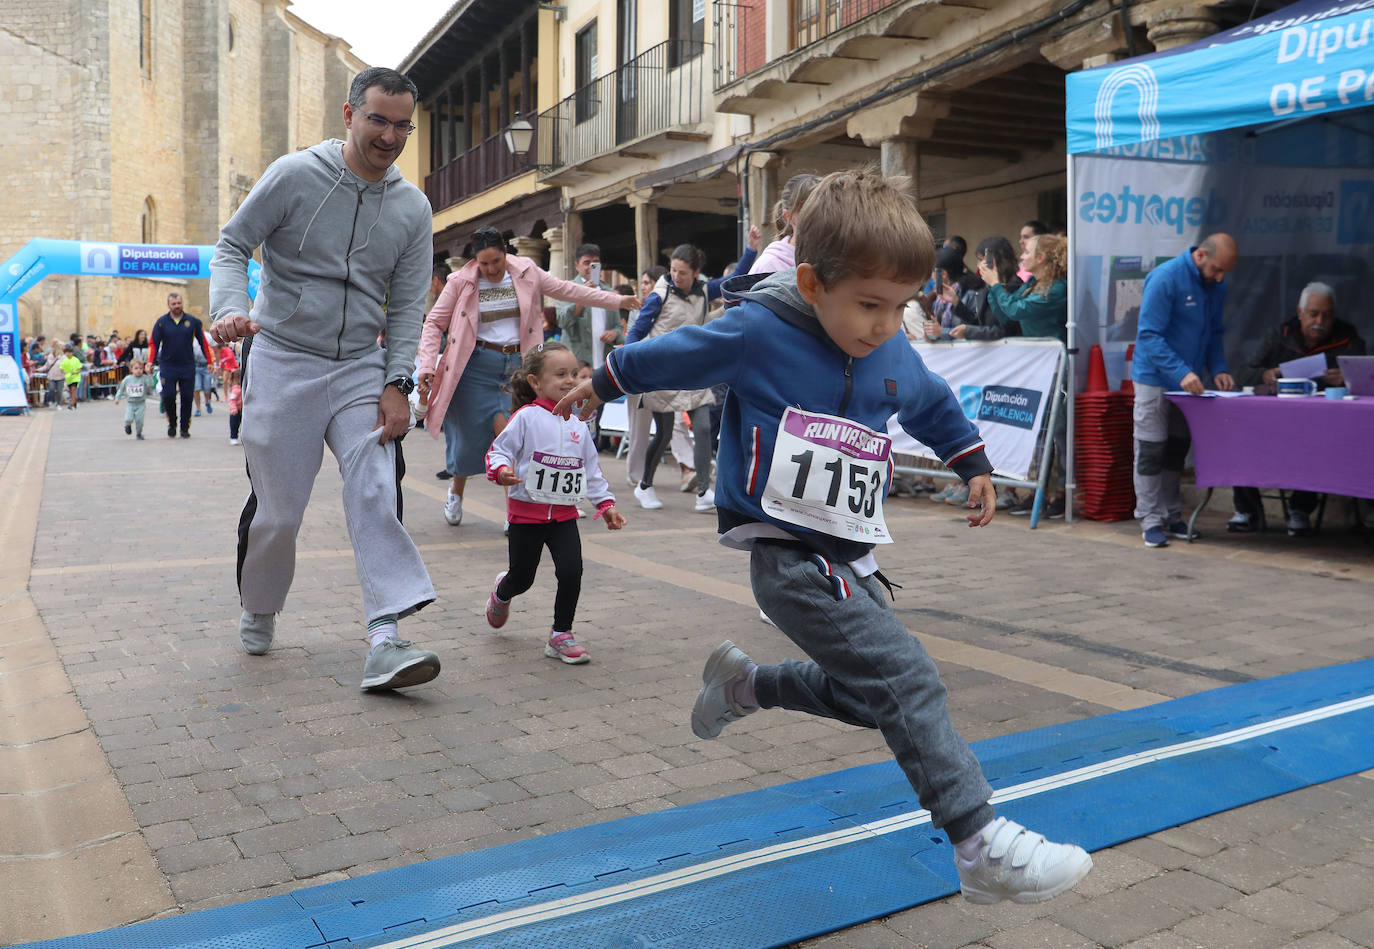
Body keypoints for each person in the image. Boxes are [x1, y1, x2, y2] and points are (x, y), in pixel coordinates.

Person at [555, 168, 1092, 904]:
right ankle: (977, 843)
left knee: (875, 694)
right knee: (908, 676)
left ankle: (745, 685)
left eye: (899, 306)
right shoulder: (757, 329)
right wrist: (607, 378)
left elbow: (929, 398)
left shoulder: (889, 346)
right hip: (786, 551)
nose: (883, 325)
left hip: (852, 550)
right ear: (810, 281)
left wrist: (970, 460)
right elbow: (675, 354)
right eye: (869, 304)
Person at [209, 66, 441, 691]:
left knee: (374, 484)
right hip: (282, 356)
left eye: (402, 126)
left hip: (360, 367)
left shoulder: (413, 208)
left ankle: (386, 638)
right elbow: (233, 246)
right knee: (279, 512)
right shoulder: (293, 175)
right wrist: (230, 309)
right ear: (348, 114)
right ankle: (259, 607)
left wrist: (399, 381)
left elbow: (407, 306)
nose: (389, 137)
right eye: (377, 120)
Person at [416, 226, 638, 528]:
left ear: (506, 252)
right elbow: (433, 324)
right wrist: (428, 364)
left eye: (496, 261)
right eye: (483, 263)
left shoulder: (527, 271)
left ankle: (514, 511)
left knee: (513, 436)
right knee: (467, 442)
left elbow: (567, 290)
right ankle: (456, 490)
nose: (491, 269)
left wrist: (615, 300)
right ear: (475, 262)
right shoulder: (460, 281)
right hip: (475, 367)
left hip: (518, 368)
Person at [483, 342, 626, 663]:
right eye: (560, 373)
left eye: (575, 374)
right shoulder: (525, 418)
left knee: (572, 571)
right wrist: (502, 471)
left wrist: (606, 505)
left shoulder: (578, 424)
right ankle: (502, 593)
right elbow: (498, 451)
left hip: (564, 515)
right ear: (535, 382)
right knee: (523, 578)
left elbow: (590, 470)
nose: (570, 380)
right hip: (525, 515)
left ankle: (561, 634)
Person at [1229, 282, 1366, 535]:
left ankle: (1299, 510)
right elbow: (1244, 374)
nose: (1319, 321)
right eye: (1313, 314)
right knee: (1239, 436)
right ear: (1300, 312)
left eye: (1326, 315)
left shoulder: (1347, 338)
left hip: (1322, 428)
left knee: (1314, 443)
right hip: (1274, 424)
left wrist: (1346, 380)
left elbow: (1365, 381)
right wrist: (1267, 374)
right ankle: (1247, 511)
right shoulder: (1281, 334)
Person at [1130, 233, 1238, 549]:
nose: (1220, 278)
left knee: (1176, 450)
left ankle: (1172, 514)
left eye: (1225, 273)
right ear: (1201, 255)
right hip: (1154, 378)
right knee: (1151, 450)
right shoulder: (1165, 278)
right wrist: (1181, 372)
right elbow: (1149, 336)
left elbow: (1215, 332)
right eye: (1217, 269)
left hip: (1190, 383)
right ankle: (1149, 519)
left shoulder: (1216, 286)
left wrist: (1218, 368)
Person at [625, 244, 726, 513]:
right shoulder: (659, 295)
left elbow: (732, 281)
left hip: (693, 369)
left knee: (703, 427)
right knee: (664, 433)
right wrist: (628, 361)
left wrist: (752, 252)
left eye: (682, 272)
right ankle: (644, 485)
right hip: (662, 370)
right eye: (673, 270)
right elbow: (637, 330)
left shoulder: (704, 291)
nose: (676, 276)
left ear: (696, 273)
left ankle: (704, 490)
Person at [150, 292, 212, 437]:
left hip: (187, 366)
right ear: (169, 305)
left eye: (179, 303)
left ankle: (184, 428)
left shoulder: (193, 321)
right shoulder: (161, 322)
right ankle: (172, 423)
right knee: (169, 396)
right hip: (168, 366)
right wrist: (150, 362)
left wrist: (210, 361)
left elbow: (203, 342)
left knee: (187, 397)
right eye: (174, 304)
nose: (177, 306)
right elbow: (153, 343)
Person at [555, 243, 625, 369]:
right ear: (577, 265)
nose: (591, 267)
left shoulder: (608, 291)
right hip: (577, 363)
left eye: (595, 262)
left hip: (604, 362)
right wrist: (582, 296)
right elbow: (562, 321)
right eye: (587, 263)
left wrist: (614, 333)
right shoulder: (567, 289)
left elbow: (618, 327)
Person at [751, 176, 819, 275]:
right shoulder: (769, 265)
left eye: (824, 208)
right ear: (788, 215)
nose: (818, 216)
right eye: (807, 210)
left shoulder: (835, 260)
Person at [114, 359, 153, 438]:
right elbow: (121, 389)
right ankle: (127, 425)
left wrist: (149, 374)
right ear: (131, 369)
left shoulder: (144, 378)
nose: (139, 370)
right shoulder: (127, 379)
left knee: (140, 421)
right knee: (128, 418)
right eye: (136, 368)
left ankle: (139, 433)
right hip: (131, 404)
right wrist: (117, 398)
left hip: (141, 403)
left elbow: (151, 384)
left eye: (141, 368)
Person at [59, 344, 83, 411]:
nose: (68, 354)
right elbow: (61, 369)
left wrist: (75, 372)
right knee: (71, 391)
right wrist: (64, 372)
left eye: (69, 352)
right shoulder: (64, 360)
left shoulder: (76, 360)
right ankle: (74, 402)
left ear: (72, 353)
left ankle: (71, 404)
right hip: (68, 378)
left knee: (73, 390)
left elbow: (80, 369)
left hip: (75, 378)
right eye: (67, 352)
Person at [226, 369, 244, 446]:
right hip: (235, 411)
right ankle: (233, 437)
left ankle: (242, 437)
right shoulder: (236, 390)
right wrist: (233, 409)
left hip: (242, 410)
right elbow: (232, 400)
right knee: (234, 425)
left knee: (243, 425)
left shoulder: (242, 388)